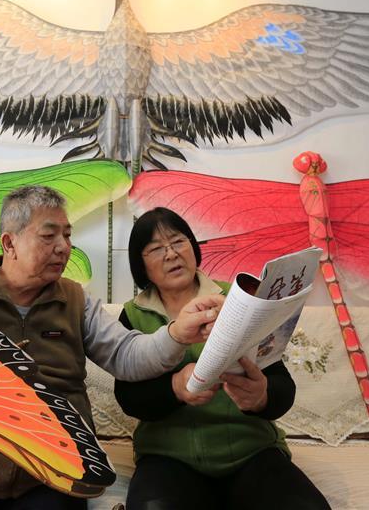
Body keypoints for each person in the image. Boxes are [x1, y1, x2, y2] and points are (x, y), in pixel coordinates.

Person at [0, 187, 222, 509]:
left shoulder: (75, 299)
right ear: (9, 243)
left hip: (52, 471)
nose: (64, 246)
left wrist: (176, 333)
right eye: (49, 236)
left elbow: (128, 356)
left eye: (67, 235)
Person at [115, 207, 330, 510]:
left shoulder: (240, 298)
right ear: (141, 266)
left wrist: (262, 395)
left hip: (251, 451)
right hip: (167, 456)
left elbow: (283, 386)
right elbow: (128, 397)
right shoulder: (133, 315)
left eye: (178, 242)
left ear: (192, 246)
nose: (171, 254)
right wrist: (175, 387)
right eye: (155, 249)